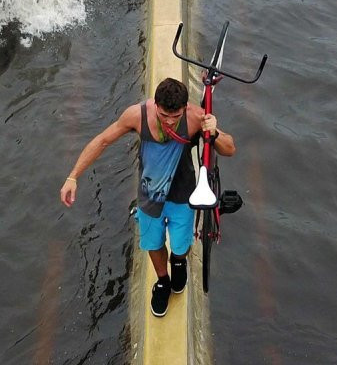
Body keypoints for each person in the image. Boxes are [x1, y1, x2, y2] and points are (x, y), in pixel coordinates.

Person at [60, 78, 236, 317]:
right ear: (155, 105)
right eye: (165, 116)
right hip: (149, 197)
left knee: (180, 245)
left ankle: (178, 262)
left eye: (176, 116)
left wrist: (213, 132)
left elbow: (229, 149)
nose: (171, 121)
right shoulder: (136, 116)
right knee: (153, 244)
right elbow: (102, 140)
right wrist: (73, 176)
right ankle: (162, 281)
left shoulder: (196, 117)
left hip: (183, 195)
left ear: (185, 107)